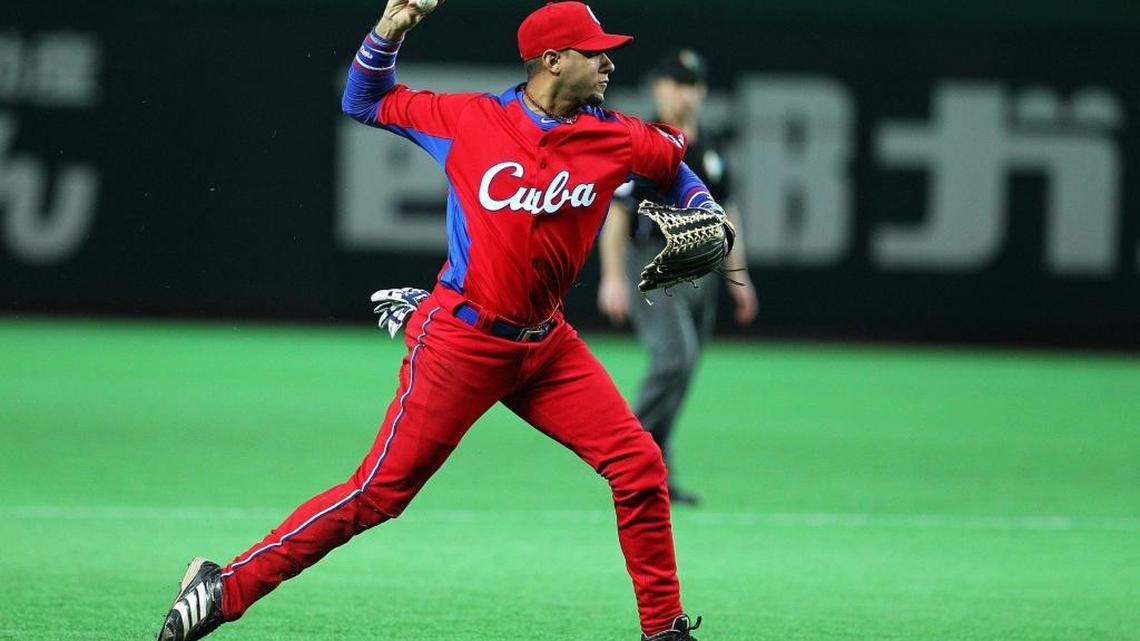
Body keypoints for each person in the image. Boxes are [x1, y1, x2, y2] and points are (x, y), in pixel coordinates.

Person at [153, 2, 724, 640]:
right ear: (552, 61)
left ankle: (664, 630)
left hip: (546, 348)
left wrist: (702, 209)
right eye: (595, 52)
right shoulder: (467, 119)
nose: (609, 61)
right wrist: (388, 32)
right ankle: (224, 587)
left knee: (639, 466)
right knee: (377, 495)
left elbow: (675, 170)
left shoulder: (616, 137)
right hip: (462, 343)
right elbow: (363, 101)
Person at [597, 49, 758, 506]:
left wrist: (737, 277)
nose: (685, 92)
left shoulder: (711, 147)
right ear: (659, 88)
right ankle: (624, 454)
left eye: (693, 84)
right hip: (652, 264)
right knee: (674, 357)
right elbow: (617, 215)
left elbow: (728, 214)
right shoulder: (642, 140)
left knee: (683, 371)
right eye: (676, 83)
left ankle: (655, 474)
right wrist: (612, 278)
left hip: (703, 269)